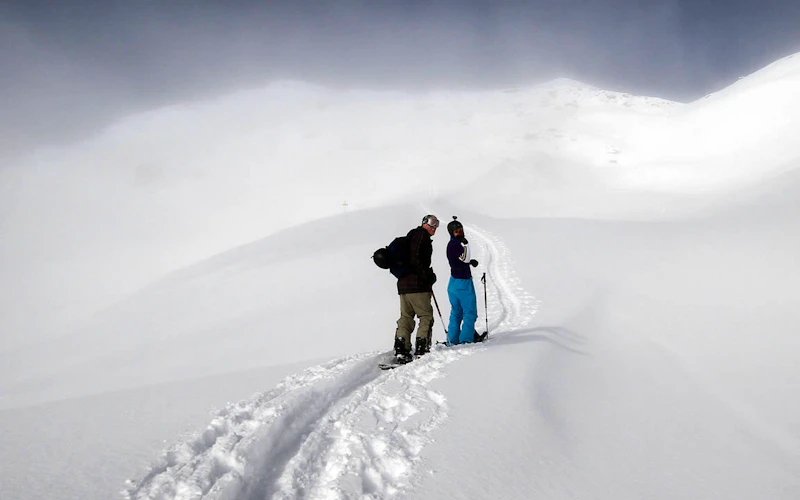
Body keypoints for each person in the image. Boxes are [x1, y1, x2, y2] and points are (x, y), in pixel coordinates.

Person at [394, 214, 439, 363]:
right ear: (424, 223)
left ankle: (401, 348)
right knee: (425, 316)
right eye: (432, 223)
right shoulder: (422, 236)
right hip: (417, 285)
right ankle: (421, 348)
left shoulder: (410, 236)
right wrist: (427, 277)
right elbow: (416, 259)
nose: (435, 227)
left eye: (437, 224)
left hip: (403, 285)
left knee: (406, 317)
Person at [445, 217, 485, 345]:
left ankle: (452, 340)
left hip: (453, 283)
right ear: (451, 232)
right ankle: (466, 339)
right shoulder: (456, 245)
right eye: (457, 231)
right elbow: (465, 258)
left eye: (461, 230)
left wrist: (469, 262)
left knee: (456, 312)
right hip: (463, 283)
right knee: (470, 312)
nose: (460, 233)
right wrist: (466, 245)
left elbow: (461, 260)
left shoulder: (452, 245)